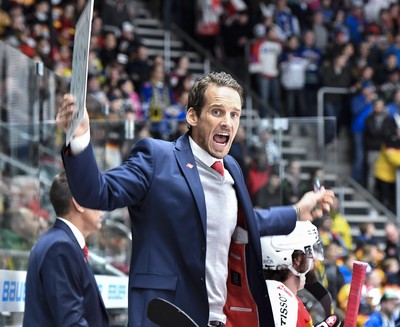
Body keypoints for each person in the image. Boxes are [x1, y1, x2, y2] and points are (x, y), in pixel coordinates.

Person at [56, 71, 335, 327]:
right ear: (192, 116)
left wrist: (298, 211)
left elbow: (245, 222)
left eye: (235, 115)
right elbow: (97, 192)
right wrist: (79, 140)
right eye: (217, 112)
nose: (228, 122)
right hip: (165, 319)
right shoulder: (157, 157)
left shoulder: (233, 170)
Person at [23, 172, 109, 326]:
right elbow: (71, 322)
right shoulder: (61, 248)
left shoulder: (60, 243)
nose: (101, 206)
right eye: (95, 197)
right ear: (79, 203)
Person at [261, 220, 323, 327]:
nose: (314, 258)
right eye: (310, 252)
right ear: (297, 260)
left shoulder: (261, 293)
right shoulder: (288, 305)